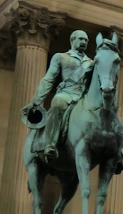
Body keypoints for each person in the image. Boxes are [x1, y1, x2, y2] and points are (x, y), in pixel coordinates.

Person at [24, 30, 94, 162]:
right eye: (80, 39)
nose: (83, 42)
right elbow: (49, 79)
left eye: (86, 40)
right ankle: (51, 143)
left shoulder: (91, 63)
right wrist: (36, 100)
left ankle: (118, 153)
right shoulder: (61, 57)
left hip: (84, 97)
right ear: (72, 40)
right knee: (57, 103)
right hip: (67, 93)